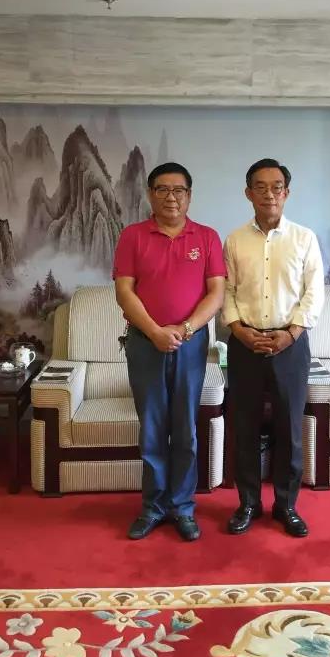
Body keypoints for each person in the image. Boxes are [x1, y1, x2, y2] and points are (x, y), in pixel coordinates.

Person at [113, 162, 225, 541]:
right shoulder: (133, 236)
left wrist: (186, 329)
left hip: (191, 346)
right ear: (150, 194)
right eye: (162, 189)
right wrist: (155, 332)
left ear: (189, 196)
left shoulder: (207, 237)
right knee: (152, 428)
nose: (171, 197)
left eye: (178, 190)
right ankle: (153, 507)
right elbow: (124, 292)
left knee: (185, 428)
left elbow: (216, 293)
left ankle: (183, 507)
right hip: (145, 344)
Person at [222, 158, 325, 538]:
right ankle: (248, 504)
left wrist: (292, 333)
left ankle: (286, 506)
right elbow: (227, 292)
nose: (269, 193)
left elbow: (314, 293)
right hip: (245, 344)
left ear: (287, 192)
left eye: (277, 186)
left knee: (289, 428)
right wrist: (238, 329)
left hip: (290, 345)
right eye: (261, 187)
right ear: (248, 193)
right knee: (245, 427)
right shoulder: (235, 240)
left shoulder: (304, 238)